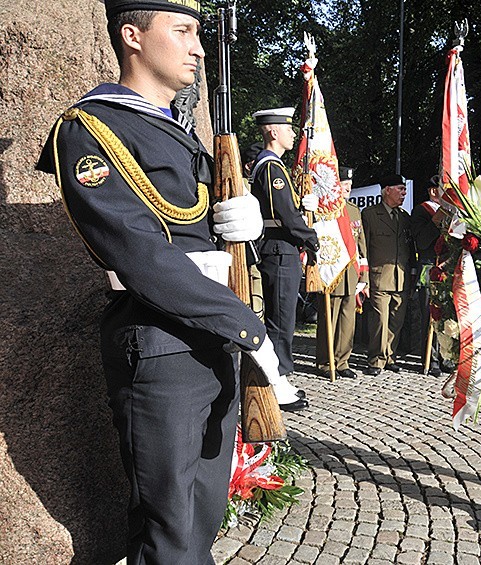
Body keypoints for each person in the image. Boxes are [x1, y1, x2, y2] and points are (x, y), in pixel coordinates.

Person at [35, 1, 298, 560]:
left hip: (212, 342)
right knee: (171, 533)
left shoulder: (178, 133)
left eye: (199, 33)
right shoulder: (89, 129)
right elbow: (143, 255)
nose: (198, 48)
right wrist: (250, 329)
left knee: (201, 518)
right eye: (182, 31)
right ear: (132, 36)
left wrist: (245, 218)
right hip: (161, 346)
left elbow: (200, 234)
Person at [250, 107, 319, 411]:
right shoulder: (270, 168)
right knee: (280, 321)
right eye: (288, 128)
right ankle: (276, 382)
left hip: (280, 249)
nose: (293, 134)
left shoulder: (272, 167)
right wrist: (310, 236)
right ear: (274, 132)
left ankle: (280, 379)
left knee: (283, 319)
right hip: (279, 250)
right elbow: (284, 216)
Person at [315, 166, 368, 379]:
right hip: (332, 272)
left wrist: (364, 275)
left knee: (348, 320)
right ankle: (326, 361)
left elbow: (361, 244)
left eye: (349, 184)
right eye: (344, 184)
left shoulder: (354, 210)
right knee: (330, 318)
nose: (348, 188)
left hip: (351, 274)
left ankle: (342, 361)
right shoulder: (325, 210)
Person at [361, 174, 414, 375]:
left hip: (401, 277)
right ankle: (376, 359)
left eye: (404, 189)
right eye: (400, 189)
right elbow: (363, 247)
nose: (404, 193)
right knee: (379, 321)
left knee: (396, 320)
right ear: (387, 190)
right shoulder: (370, 214)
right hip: (379, 276)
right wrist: (364, 277)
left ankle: (390, 356)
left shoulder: (404, 217)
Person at [410, 174, 451, 377]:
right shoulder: (421, 211)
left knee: (446, 314)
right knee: (430, 313)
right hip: (429, 267)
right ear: (434, 191)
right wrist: (436, 220)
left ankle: (445, 355)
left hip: (447, 268)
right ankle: (430, 357)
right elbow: (423, 241)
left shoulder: (452, 212)